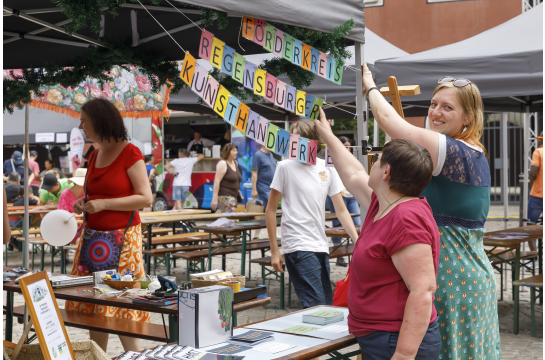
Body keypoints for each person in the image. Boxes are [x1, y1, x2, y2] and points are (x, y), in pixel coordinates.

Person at [362, 64, 501, 358]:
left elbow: (388, 119)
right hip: (460, 274)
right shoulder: (470, 152)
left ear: (468, 118)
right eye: (433, 104)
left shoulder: (454, 151)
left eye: (447, 107)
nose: (435, 112)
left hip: (452, 278)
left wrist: (370, 87)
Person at [317, 113, 440, 358]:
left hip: (394, 342)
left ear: (386, 172)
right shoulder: (383, 203)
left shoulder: (406, 218)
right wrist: (328, 136)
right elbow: (352, 173)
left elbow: (423, 291)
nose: (370, 163)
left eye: (377, 160)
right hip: (381, 336)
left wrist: (403, 355)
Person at [66, 98, 153, 353]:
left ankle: (134, 356)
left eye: (84, 120)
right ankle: (98, 356)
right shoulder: (94, 154)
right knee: (96, 306)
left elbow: (146, 198)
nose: (81, 125)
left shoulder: (130, 152)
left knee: (123, 304)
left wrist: (104, 205)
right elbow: (94, 194)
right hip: (94, 242)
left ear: (100, 121)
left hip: (123, 241)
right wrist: (83, 202)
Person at [265, 119, 359, 309]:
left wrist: (358, 240)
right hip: (297, 243)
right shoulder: (285, 167)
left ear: (314, 141)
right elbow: (271, 209)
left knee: (325, 306)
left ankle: (313, 337)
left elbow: (341, 209)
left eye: (301, 139)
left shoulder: (326, 168)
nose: (297, 143)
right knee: (316, 306)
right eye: (294, 139)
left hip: (320, 244)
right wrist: (275, 251)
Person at [326, 136, 361, 267]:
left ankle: (354, 253)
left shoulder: (353, 159)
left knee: (356, 223)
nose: (348, 148)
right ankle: (339, 256)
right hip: (337, 194)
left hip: (351, 195)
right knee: (337, 223)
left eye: (349, 146)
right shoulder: (332, 159)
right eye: (345, 146)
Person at [211, 143, 243, 213]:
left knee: (233, 220)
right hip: (225, 196)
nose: (236, 152)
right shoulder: (222, 163)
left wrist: (239, 192)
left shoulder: (235, 163)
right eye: (234, 151)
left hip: (234, 196)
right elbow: (216, 181)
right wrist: (214, 198)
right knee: (232, 219)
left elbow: (236, 180)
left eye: (236, 150)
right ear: (228, 152)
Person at [528, 132, 543, 250]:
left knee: (531, 225)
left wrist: (531, 181)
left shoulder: (538, 152)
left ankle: (534, 256)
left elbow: (533, 172)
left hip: (538, 194)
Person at [251, 144, 276, 211]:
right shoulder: (258, 155)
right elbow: (254, 173)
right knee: (269, 207)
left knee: (271, 208)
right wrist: (254, 190)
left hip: (272, 187)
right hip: (263, 187)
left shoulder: (271, 155)